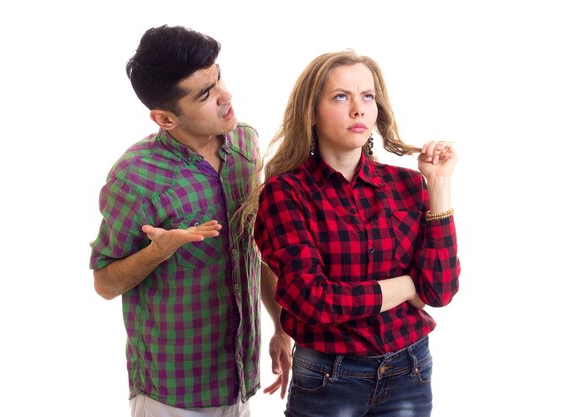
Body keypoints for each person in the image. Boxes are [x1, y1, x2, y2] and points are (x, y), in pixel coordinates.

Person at [89, 25, 291, 417]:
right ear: (165, 118)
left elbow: (254, 249)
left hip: (238, 383)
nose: (226, 96)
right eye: (205, 94)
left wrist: (281, 328)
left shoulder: (246, 145)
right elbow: (103, 283)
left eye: (218, 78)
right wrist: (156, 253)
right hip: (172, 395)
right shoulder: (135, 178)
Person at [252, 50, 461, 416]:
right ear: (312, 112)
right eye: (340, 97)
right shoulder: (286, 193)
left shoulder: (408, 185)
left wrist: (439, 184)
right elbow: (312, 300)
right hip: (328, 378)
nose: (358, 109)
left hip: (409, 370)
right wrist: (411, 286)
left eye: (367, 96)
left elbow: (441, 289)